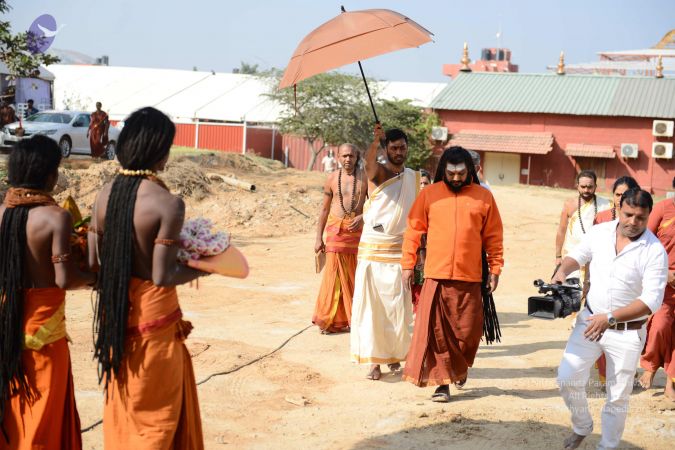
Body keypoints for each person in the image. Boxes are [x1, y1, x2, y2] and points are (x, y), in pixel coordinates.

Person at [88, 107, 206, 449]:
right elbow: (162, 274)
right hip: (155, 324)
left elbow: (94, 263)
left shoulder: (104, 195)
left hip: (116, 319)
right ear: (159, 150)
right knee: (157, 419)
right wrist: (207, 265)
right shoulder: (168, 203)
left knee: (128, 410)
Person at [553, 188, 668, 450]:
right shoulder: (600, 232)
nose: (633, 222)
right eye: (628, 214)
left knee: (617, 397)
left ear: (649, 215)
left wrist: (610, 318)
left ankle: (607, 446)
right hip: (590, 320)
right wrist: (562, 271)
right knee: (567, 378)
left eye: (641, 217)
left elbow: (650, 301)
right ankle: (582, 426)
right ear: (619, 209)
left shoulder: (654, 251)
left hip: (627, 333)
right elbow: (578, 256)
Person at [0, 135, 94, 449]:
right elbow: (65, 279)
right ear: (50, 174)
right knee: (44, 414)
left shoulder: (2, 213)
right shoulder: (56, 217)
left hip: (7, 328)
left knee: (12, 410)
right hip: (46, 334)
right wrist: (95, 279)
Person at [401, 147, 504, 402]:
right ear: (443, 171)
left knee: (468, 334)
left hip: (471, 277)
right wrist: (407, 264)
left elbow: (494, 237)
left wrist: (495, 269)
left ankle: (459, 367)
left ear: (470, 171)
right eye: (451, 173)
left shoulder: (484, 197)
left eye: (460, 173)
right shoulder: (429, 195)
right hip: (436, 275)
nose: (456, 178)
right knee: (438, 335)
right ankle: (442, 383)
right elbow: (413, 231)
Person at [350, 124, 418, 381]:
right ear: (386, 149)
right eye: (394, 148)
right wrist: (375, 141)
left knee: (397, 309)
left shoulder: (412, 178)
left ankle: (394, 356)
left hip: (400, 251)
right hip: (373, 251)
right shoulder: (378, 172)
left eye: (402, 148)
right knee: (372, 309)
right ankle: (374, 362)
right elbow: (368, 165)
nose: (399, 152)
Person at [312, 144, 366, 334]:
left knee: (354, 275)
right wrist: (318, 238)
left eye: (351, 155)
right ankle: (328, 320)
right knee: (333, 275)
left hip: (357, 233)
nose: (348, 159)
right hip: (335, 230)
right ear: (337, 157)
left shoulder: (365, 178)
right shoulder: (332, 178)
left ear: (357, 156)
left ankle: (354, 319)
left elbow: (375, 204)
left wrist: (363, 216)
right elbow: (324, 209)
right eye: (344, 156)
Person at [592, 176, 640, 387]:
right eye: (617, 194)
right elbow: (591, 251)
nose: (620, 199)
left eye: (625, 195)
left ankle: (626, 372)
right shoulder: (602, 218)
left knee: (627, 332)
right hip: (602, 281)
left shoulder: (639, 220)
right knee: (602, 327)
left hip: (629, 285)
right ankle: (606, 377)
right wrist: (587, 282)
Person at [637, 179, 675, 401]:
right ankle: (650, 366)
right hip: (662, 283)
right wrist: (665, 272)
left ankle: (671, 383)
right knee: (660, 326)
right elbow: (644, 243)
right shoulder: (661, 209)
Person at [555, 171, 610, 302]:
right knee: (571, 298)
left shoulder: (606, 205)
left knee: (593, 298)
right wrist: (558, 256)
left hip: (596, 257)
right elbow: (561, 230)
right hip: (573, 256)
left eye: (590, 187)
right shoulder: (569, 204)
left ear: (595, 186)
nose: (586, 190)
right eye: (583, 186)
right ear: (577, 186)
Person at [411, 169, 432, 312]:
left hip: (428, 249)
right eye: (420, 183)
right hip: (411, 248)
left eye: (426, 183)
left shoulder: (435, 202)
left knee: (423, 283)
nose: (423, 186)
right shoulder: (409, 201)